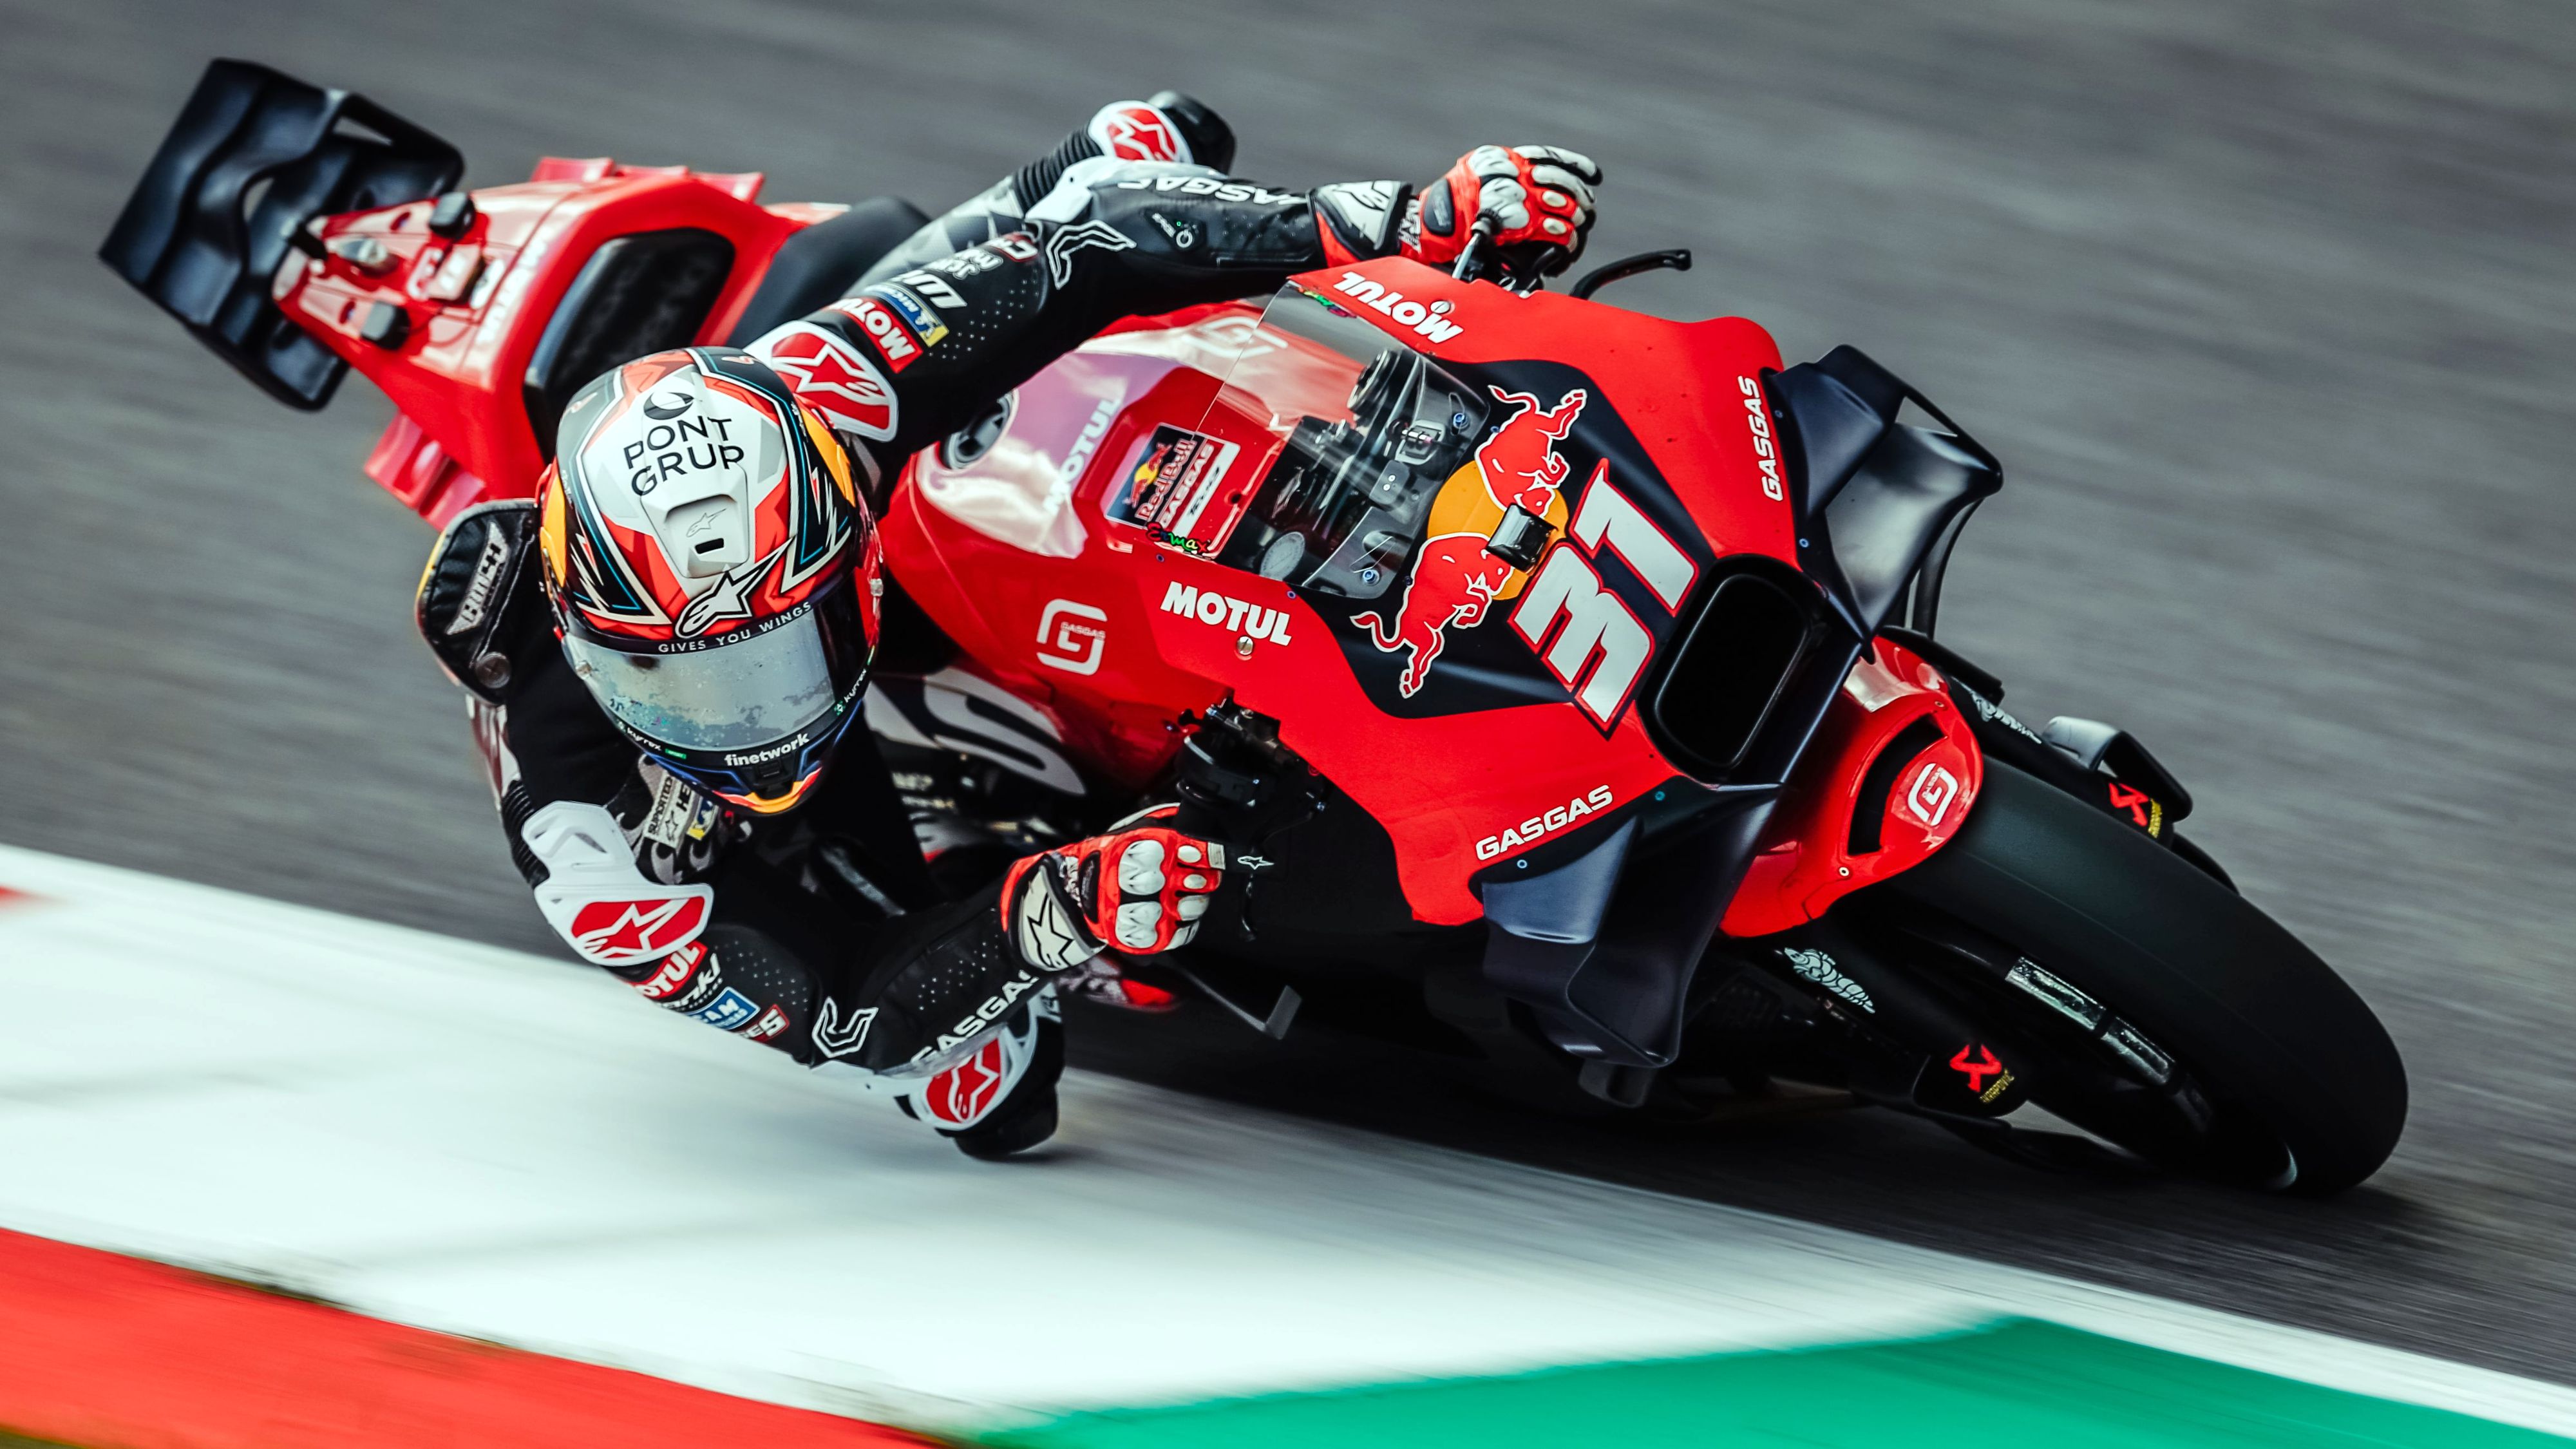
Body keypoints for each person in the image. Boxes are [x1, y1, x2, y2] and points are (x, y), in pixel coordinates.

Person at [414, 96, 1600, 1157]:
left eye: (776, 655)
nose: (758, 718)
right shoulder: (593, 855)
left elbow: (1093, 244)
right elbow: (850, 1017)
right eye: (693, 685)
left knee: (1128, 152)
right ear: (590, 638)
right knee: (990, 1090)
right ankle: (985, 827)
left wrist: (1394, 218)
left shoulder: (826, 392)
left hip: (878, 515)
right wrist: (1047, 912)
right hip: (759, 821)